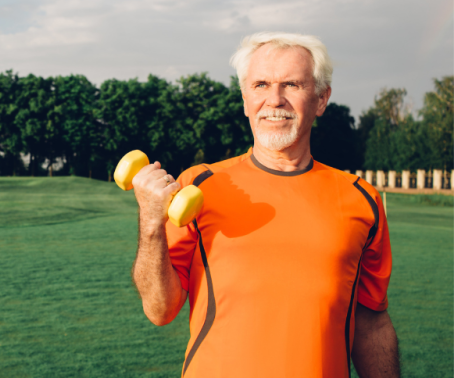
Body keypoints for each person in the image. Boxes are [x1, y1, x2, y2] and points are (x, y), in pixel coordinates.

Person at [131, 32, 399, 377]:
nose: (275, 100)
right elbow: (159, 310)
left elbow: (372, 321)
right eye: (260, 85)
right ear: (245, 100)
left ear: (321, 99)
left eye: (292, 85)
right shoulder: (197, 186)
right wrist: (151, 223)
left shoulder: (362, 199)